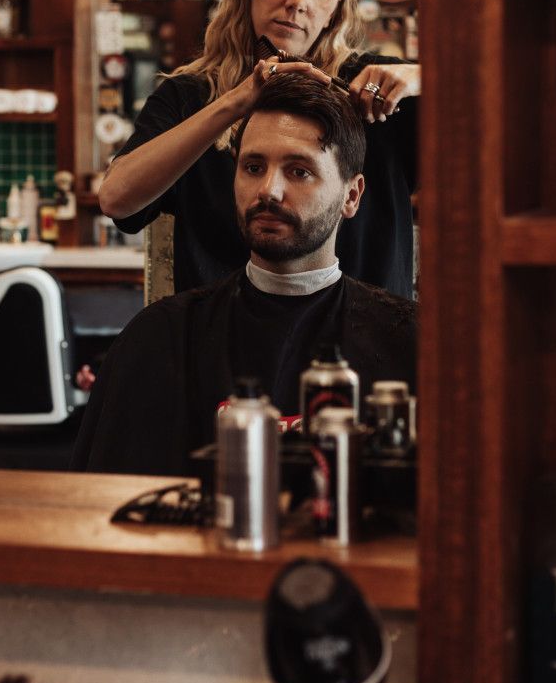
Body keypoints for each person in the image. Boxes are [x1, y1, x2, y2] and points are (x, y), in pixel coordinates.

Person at [73, 73, 415, 476]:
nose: (268, 190)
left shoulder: (409, 344)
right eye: (253, 166)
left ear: (351, 196)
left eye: (299, 171)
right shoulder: (159, 338)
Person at [100, 0, 420, 299]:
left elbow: (503, 132)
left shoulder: (374, 95)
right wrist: (235, 101)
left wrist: (421, 77)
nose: (297, 1)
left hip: (364, 351)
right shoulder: (192, 96)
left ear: (336, 10)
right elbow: (116, 199)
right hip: (226, 350)